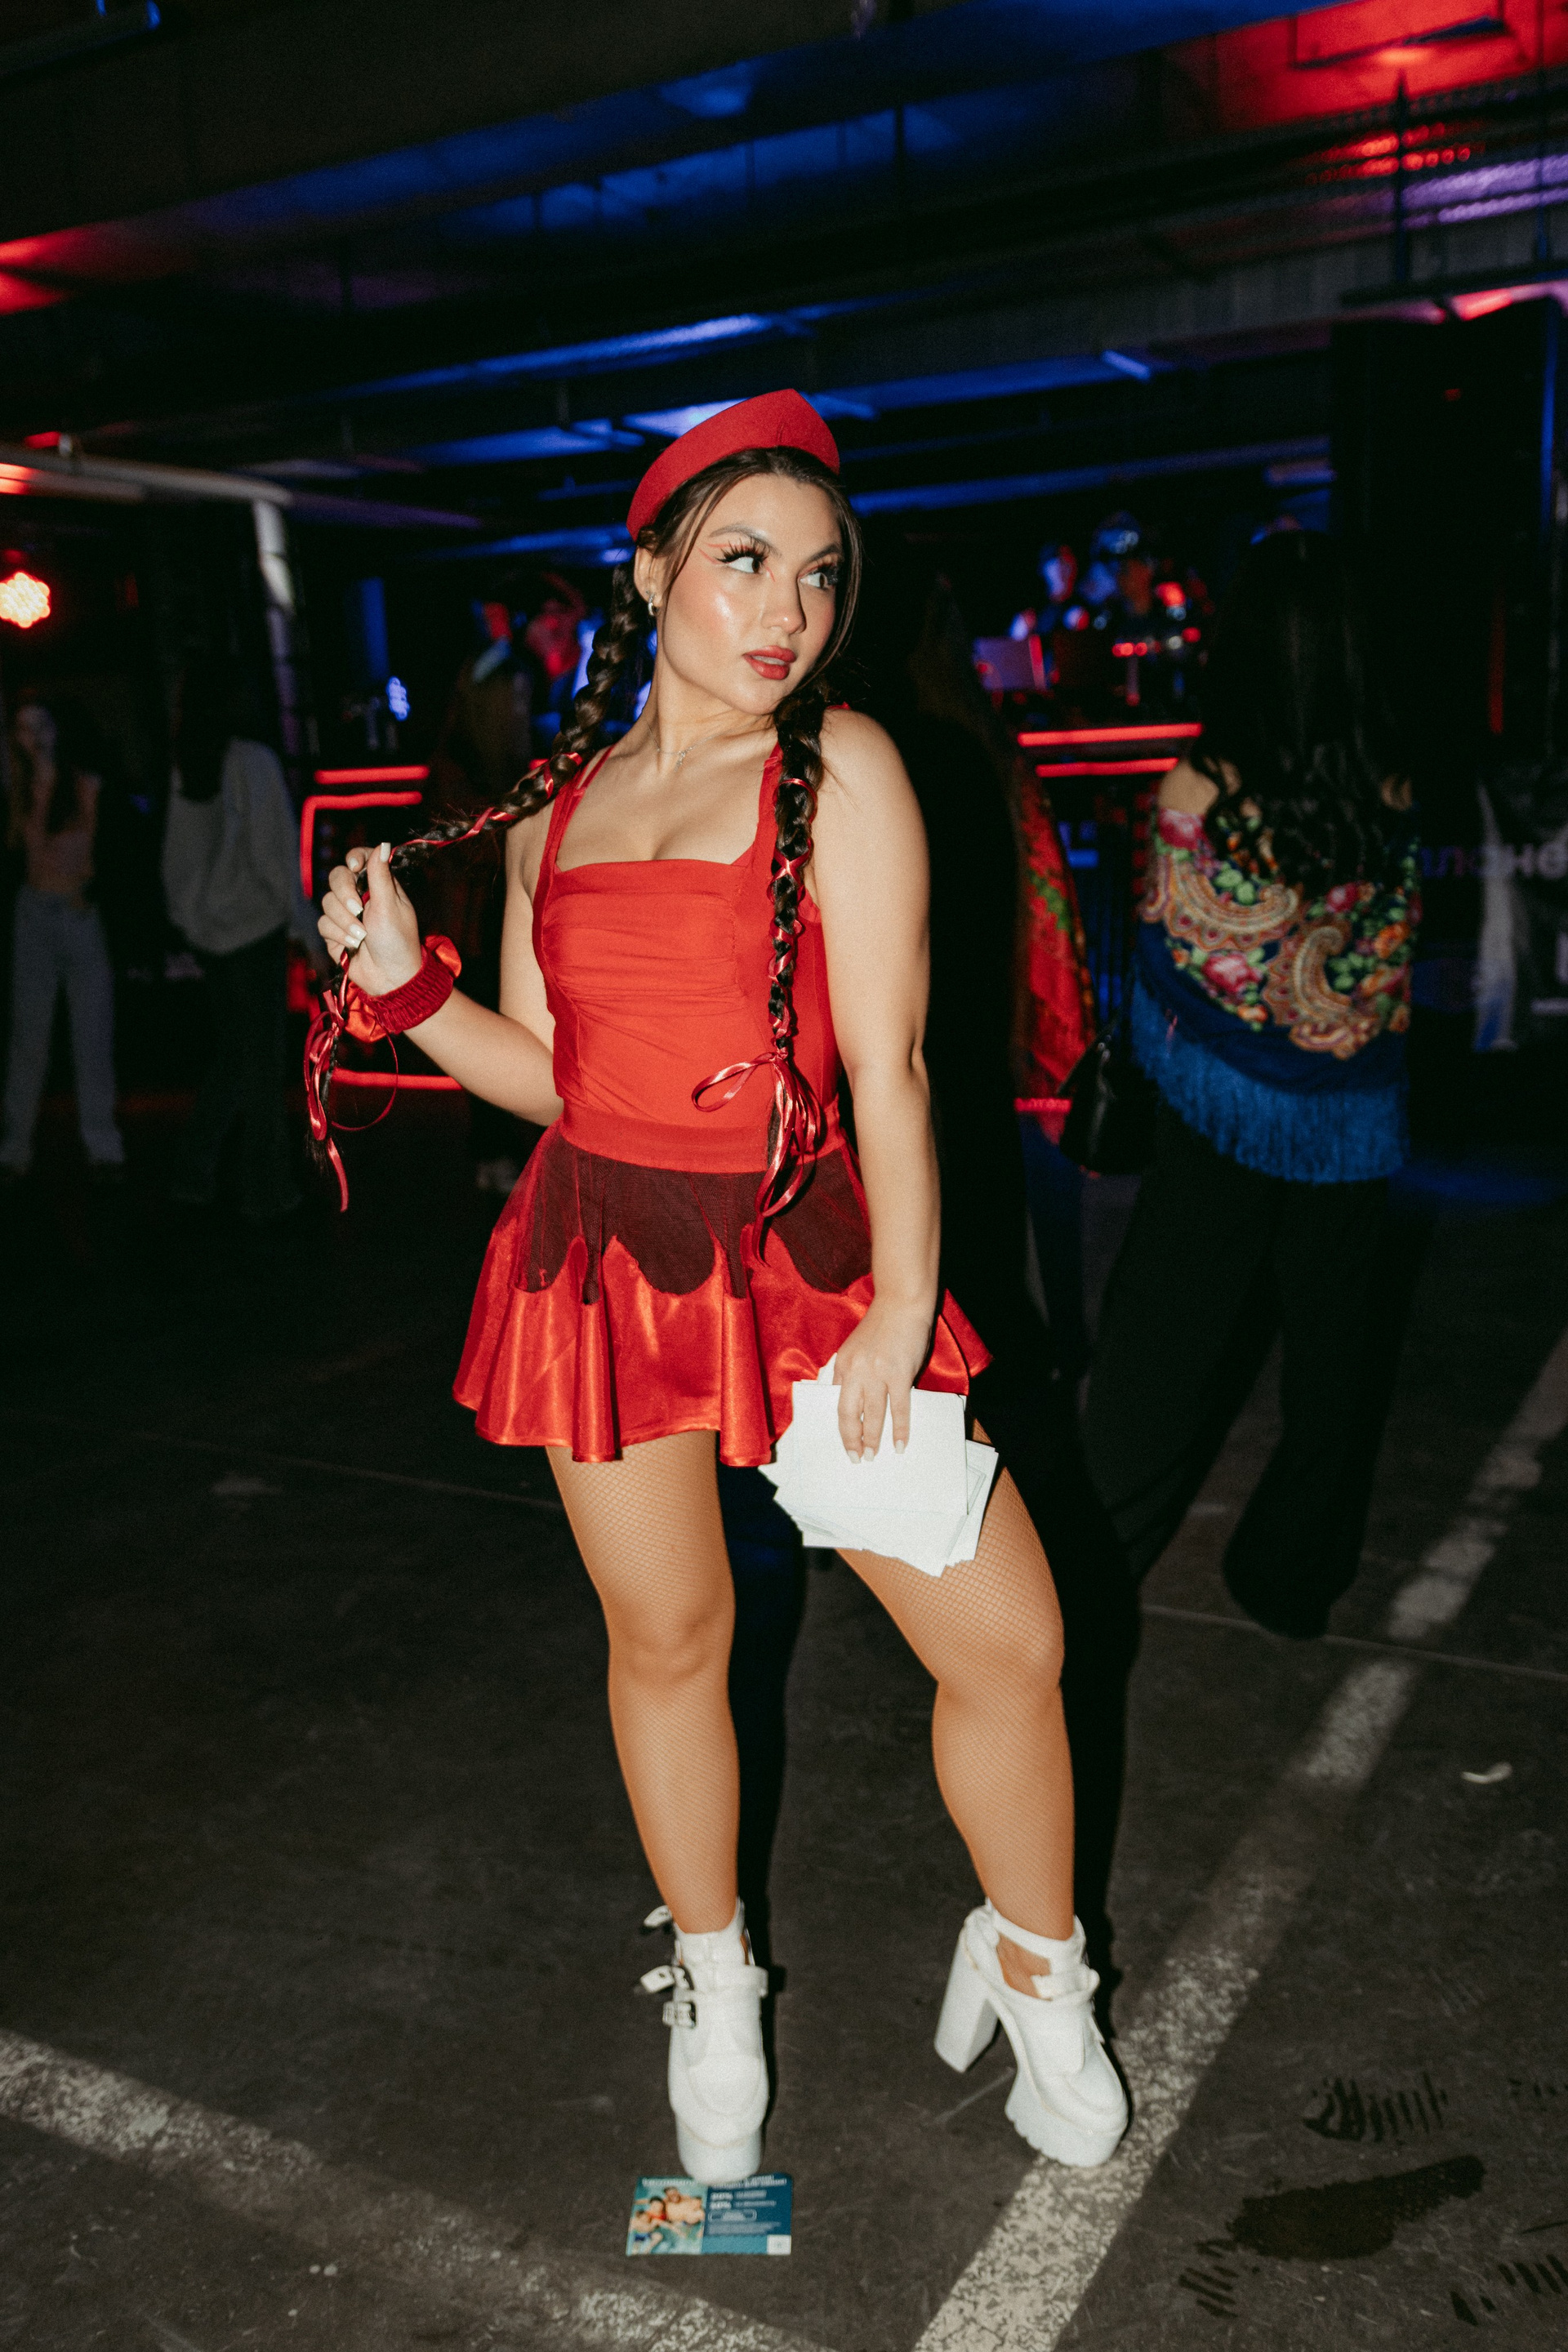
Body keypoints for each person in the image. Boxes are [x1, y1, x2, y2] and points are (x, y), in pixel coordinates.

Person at [313, 393, 1129, 2185]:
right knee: (671, 1640)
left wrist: (904, 1306)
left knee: (1014, 1644)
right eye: (746, 562)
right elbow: (558, 1083)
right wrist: (405, 990)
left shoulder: (844, 772)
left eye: (820, 577)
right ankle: (714, 1979)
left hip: (813, 1264)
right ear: (650, 572)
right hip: (602, 1260)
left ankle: (1032, 1961)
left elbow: (894, 1066)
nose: (787, 611)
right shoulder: (556, 811)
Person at [851, 550, 1136, 1987]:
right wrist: (1057, 1037)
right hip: (948, 1075)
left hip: (875, 1093)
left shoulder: (857, 755)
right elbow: (1047, 910)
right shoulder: (964, 739)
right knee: (982, 1318)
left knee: (929, 1319)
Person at [1085, 530, 1419, 1640]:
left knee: (1159, 1346)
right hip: (1352, 1121)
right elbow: (1382, 968)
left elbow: (1171, 954)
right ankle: (1294, 1576)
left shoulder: (1203, 783)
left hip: (1219, 1115)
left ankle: (1091, 1571)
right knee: (1334, 1360)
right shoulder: (1392, 782)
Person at [163, 664, 328, 1220]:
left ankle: (194, 1174)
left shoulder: (191, 761)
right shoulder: (252, 761)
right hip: (254, 929)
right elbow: (275, 859)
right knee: (260, 1067)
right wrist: (307, 933)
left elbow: (177, 858)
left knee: (236, 1059)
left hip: (212, 935)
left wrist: (190, 921)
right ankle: (267, 1192)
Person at [1, 697, 127, 1183]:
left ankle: (103, 1146)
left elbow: (108, 848)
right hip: (34, 914)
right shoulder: (20, 788)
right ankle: (15, 1149)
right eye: (24, 730)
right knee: (29, 1038)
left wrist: (91, 890)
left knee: (92, 1032)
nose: (34, 739)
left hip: (78, 914)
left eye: (41, 727)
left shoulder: (83, 784)